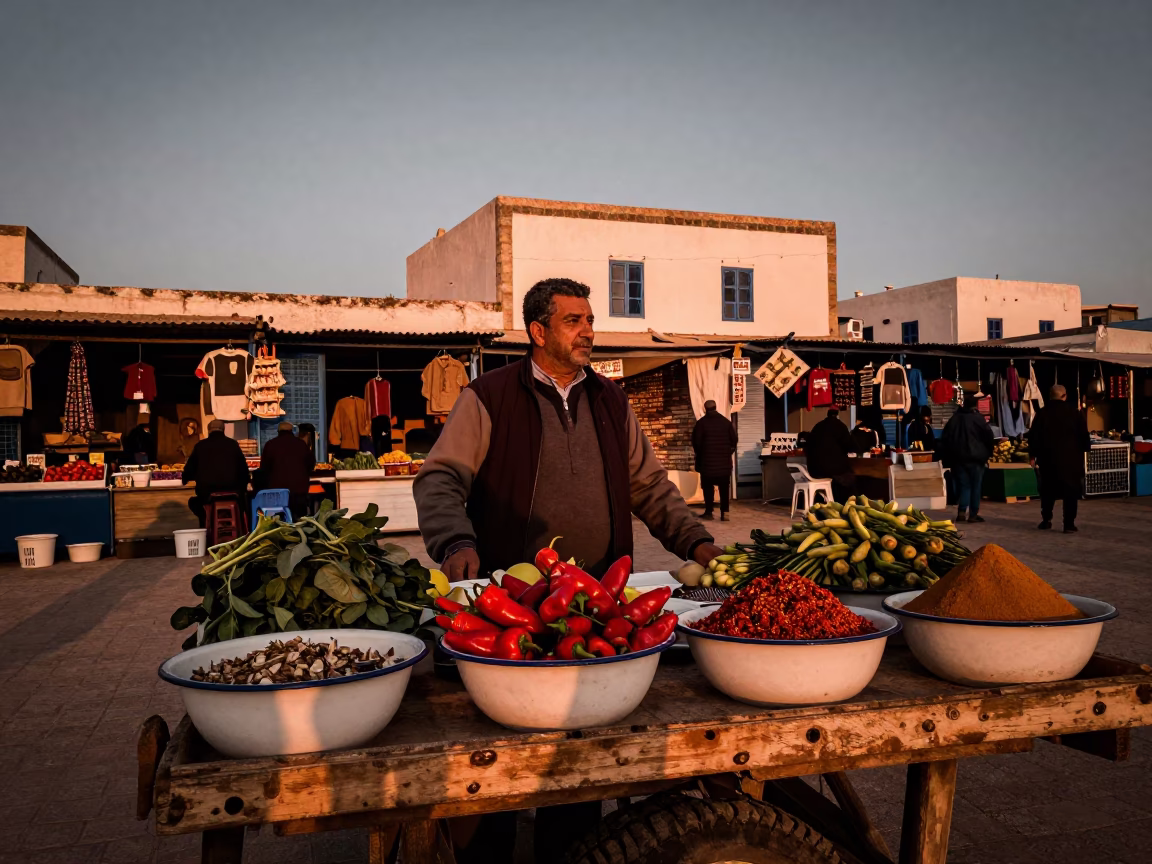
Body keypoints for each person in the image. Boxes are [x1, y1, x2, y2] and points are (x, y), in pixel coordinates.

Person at [414, 277, 723, 863]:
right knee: (497, 758)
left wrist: (698, 543)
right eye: (574, 321)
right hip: (510, 609)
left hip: (593, 608)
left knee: (577, 759)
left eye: (590, 320)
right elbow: (440, 477)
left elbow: (650, 487)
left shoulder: (611, 402)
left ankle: (573, 850)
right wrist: (454, 541)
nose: (589, 332)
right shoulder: (490, 397)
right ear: (538, 331)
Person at [1028, 384, 1091, 533]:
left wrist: (1033, 455)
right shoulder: (1075, 414)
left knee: (1048, 491)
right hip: (1071, 461)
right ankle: (1068, 524)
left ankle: (1046, 519)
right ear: (1065, 396)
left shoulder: (1042, 414)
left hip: (1047, 460)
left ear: (1050, 396)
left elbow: (1034, 437)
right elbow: (1084, 437)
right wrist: (1083, 450)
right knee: (1070, 493)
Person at [182, 419, 250, 528]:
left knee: (194, 503)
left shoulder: (200, 446)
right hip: (233, 493)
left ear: (209, 431)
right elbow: (243, 470)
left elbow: (189, 470)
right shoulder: (232, 444)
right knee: (245, 501)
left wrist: (185, 479)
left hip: (207, 494)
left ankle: (208, 528)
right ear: (223, 430)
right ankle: (239, 530)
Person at [940, 394, 994, 523]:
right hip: (976, 458)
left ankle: (962, 512)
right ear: (975, 406)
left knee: (964, 486)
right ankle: (973, 514)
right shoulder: (978, 419)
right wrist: (988, 453)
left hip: (958, 459)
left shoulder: (954, 419)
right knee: (976, 486)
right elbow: (989, 437)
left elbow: (945, 438)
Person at [258, 420, 315, 518]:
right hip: (299, 494)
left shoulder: (270, 445)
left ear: (278, 431)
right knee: (300, 516)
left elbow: (264, 469)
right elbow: (311, 464)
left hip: (277, 495)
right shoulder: (301, 444)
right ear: (292, 431)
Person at [692, 399, 738, 521]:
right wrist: (727, 453)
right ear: (716, 407)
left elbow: (696, 443)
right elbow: (734, 441)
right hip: (724, 464)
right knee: (724, 488)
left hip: (707, 464)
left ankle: (709, 512)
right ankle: (725, 512)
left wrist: (702, 455)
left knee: (707, 488)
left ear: (705, 408)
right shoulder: (726, 423)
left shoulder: (701, 423)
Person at [804, 407, 855, 500]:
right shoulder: (840, 426)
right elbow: (849, 446)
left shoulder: (817, 426)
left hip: (814, 470)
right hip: (831, 470)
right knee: (849, 478)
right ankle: (844, 504)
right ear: (837, 415)